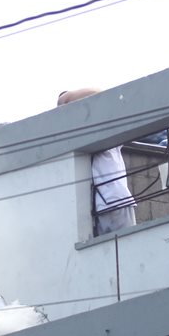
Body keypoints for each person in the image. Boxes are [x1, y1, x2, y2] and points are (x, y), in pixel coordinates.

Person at [57, 88, 137, 235]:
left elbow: (65, 100)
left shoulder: (105, 130)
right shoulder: (81, 137)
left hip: (114, 201)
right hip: (103, 205)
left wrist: (66, 98)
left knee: (126, 244)